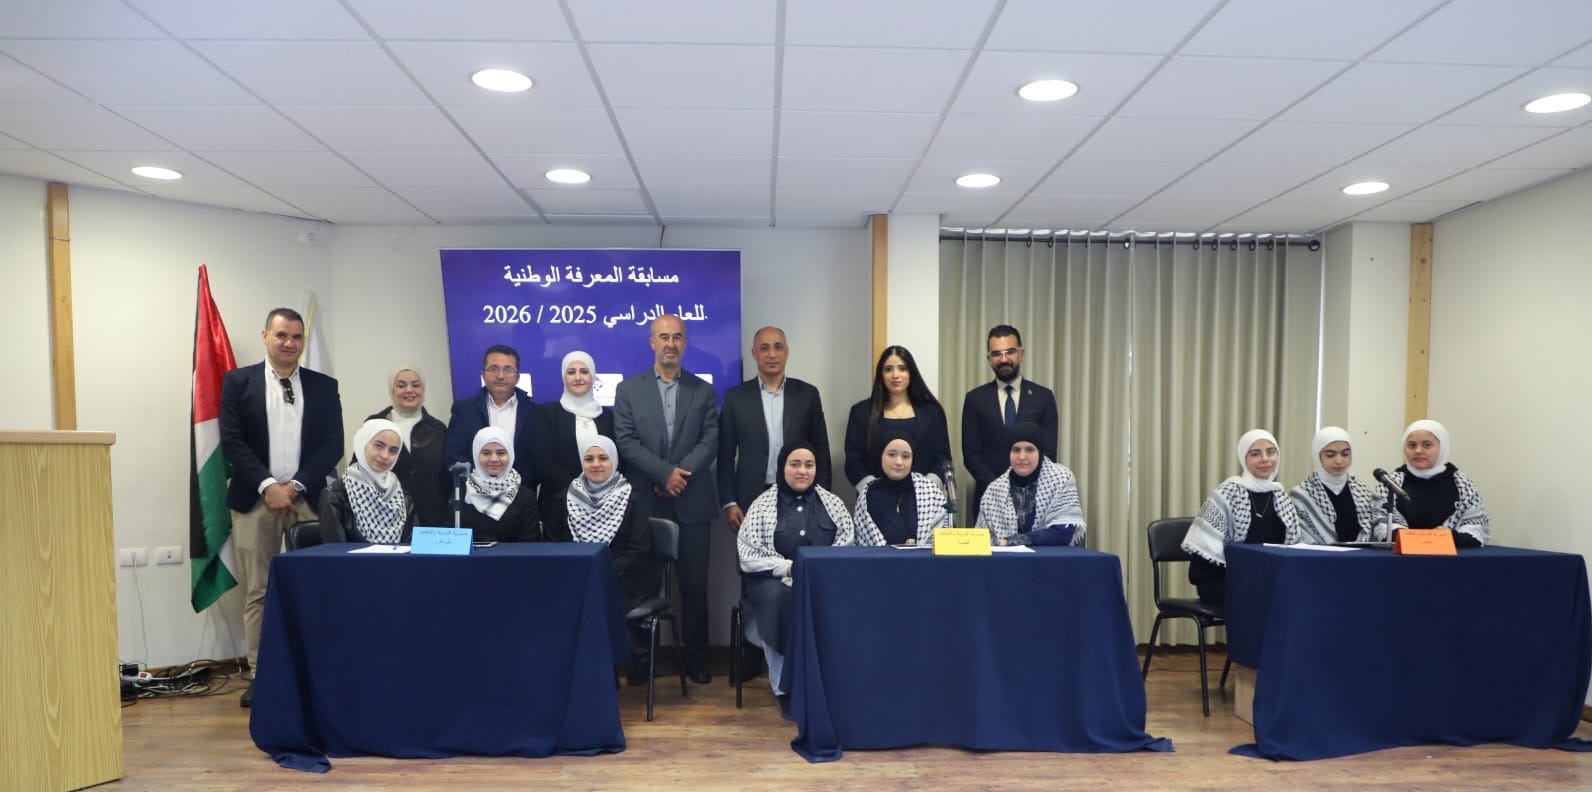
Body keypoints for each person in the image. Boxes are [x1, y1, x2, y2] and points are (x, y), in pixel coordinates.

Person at [219, 307, 343, 708]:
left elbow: (333, 445)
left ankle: (316, 672)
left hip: (307, 500)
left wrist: (296, 485)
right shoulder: (238, 382)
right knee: (259, 590)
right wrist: (269, 485)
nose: (290, 343)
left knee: (315, 588)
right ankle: (261, 675)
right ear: (265, 336)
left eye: (297, 337)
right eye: (282, 335)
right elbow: (232, 441)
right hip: (255, 501)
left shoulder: (324, 386)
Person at [614, 315, 720, 683]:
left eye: (677, 337)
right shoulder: (629, 390)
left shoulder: (703, 391)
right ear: (652, 343)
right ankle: (642, 663)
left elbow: (710, 440)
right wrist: (663, 475)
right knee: (643, 587)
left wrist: (678, 477)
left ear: (685, 343)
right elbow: (626, 441)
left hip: (693, 502)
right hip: (647, 503)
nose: (670, 343)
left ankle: (696, 660)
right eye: (663, 337)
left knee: (695, 587)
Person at [737, 441, 855, 718]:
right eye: (795, 464)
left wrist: (820, 569)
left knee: (847, 598)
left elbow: (848, 544)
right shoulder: (762, 505)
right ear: (782, 468)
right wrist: (788, 569)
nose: (802, 471)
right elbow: (747, 556)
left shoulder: (833, 504)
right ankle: (786, 689)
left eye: (809, 465)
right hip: (774, 583)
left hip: (823, 579)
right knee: (780, 601)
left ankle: (832, 685)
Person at [544, 436, 661, 685]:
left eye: (603, 458)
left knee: (601, 597)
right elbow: (554, 545)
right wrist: (581, 572)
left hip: (623, 581)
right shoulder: (564, 498)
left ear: (614, 461)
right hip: (575, 578)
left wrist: (601, 571)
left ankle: (611, 669)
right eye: (589, 458)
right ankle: (579, 671)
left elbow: (638, 551)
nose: (596, 464)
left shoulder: (632, 498)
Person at [718, 326, 832, 530]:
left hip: (800, 493)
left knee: (797, 550)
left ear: (786, 352)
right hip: (750, 498)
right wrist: (730, 502)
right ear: (754, 353)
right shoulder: (736, 397)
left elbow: (821, 450)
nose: (772, 354)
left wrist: (822, 496)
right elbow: (725, 455)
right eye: (764, 348)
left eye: (778, 347)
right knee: (752, 551)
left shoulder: (807, 394)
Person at [1181, 429, 1310, 607]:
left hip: (1263, 579)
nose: (1265, 459)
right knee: (1268, 600)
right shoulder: (1227, 492)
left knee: (1303, 595)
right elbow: (1205, 554)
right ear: (1244, 458)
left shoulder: (1280, 496)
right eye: (1255, 454)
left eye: (1271, 452)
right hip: (1221, 578)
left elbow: (1291, 547)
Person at [961, 325, 1060, 510]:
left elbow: (1049, 452)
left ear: (1021, 354)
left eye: (1010, 352)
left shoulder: (1043, 397)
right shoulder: (975, 399)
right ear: (989, 359)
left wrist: (1024, 486)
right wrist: (999, 489)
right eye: (997, 354)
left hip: (1035, 498)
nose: (1004, 359)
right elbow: (971, 454)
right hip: (989, 498)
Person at [843, 345, 952, 487]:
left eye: (902, 368)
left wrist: (926, 489)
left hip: (924, 495)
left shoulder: (932, 412)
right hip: (874, 495)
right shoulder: (861, 412)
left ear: (911, 372)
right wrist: (874, 490)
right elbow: (854, 461)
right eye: (888, 369)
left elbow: (943, 458)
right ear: (881, 374)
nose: (895, 375)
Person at [1378, 419, 1490, 547]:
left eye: (1427, 445)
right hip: (1400, 555)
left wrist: (1448, 537)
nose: (1418, 451)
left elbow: (1476, 526)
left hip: (1452, 556)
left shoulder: (1462, 484)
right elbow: (1379, 524)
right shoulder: (1390, 483)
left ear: (1442, 447)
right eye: (1412, 445)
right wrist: (1412, 538)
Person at [361, 366, 448, 526]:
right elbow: (359, 472)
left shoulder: (438, 429)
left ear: (423, 389)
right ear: (392, 390)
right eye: (401, 385)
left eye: (416, 385)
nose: (409, 390)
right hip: (384, 520)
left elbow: (446, 480)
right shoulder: (374, 425)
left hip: (432, 521)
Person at [534, 351, 616, 521]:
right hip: (558, 505)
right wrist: (580, 492)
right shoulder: (546, 414)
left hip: (604, 505)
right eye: (571, 372)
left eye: (584, 372)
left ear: (593, 376)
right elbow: (543, 461)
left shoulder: (609, 418)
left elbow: (617, 461)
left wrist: (596, 493)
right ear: (563, 377)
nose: (578, 378)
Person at [975, 422, 1086, 546]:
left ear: (1040, 452)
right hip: (1005, 557)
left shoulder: (1061, 479)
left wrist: (1013, 541)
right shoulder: (994, 491)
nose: (1022, 457)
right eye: (1016, 450)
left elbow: (1063, 531)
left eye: (1029, 450)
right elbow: (981, 541)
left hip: (1052, 557)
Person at [444, 344, 539, 485]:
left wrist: (518, 488)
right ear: (483, 374)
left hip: (521, 493)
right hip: (473, 493)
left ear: (517, 377)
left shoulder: (533, 411)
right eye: (494, 369)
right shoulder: (463, 410)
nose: (500, 376)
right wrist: (479, 487)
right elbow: (455, 455)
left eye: (508, 370)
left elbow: (537, 459)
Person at [1289, 426, 1399, 544]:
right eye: (1330, 455)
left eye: (1345, 454)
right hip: (1318, 555)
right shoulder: (1302, 495)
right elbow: (1301, 537)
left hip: (1360, 554)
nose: (1339, 461)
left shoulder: (1362, 490)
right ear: (1317, 456)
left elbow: (1379, 523)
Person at [852, 427, 951, 547]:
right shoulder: (868, 495)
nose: (899, 462)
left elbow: (943, 540)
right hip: (878, 559)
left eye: (906, 456)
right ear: (881, 456)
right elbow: (863, 545)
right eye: (891, 455)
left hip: (925, 559)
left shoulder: (930, 492)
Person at [321, 418, 415, 544]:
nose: (385, 455)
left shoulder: (402, 495)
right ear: (363, 443)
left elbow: (410, 546)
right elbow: (334, 552)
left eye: (393, 450)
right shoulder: (335, 495)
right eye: (379, 445)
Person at [458, 426, 540, 542]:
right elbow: (452, 539)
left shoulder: (525, 497)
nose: (494, 459)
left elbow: (530, 542)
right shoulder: (461, 494)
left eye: (501, 453)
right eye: (486, 453)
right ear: (476, 455)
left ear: (510, 455)